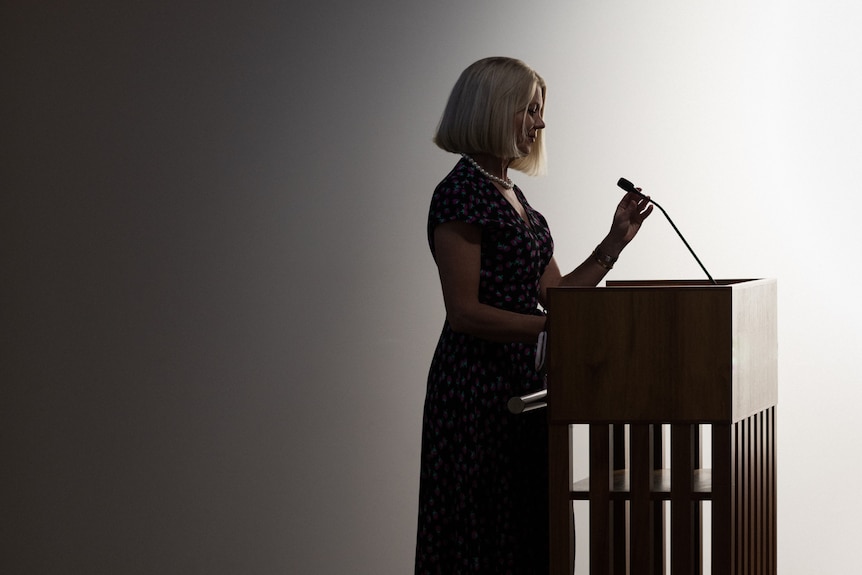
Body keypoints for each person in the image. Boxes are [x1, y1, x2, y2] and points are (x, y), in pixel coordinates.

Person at [414, 57, 653, 574]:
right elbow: (465, 314)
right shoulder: (459, 194)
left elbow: (558, 295)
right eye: (530, 110)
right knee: (483, 539)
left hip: (525, 391)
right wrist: (554, 331)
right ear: (495, 109)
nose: (540, 124)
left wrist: (615, 241)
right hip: (476, 397)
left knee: (528, 536)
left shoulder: (514, 197)